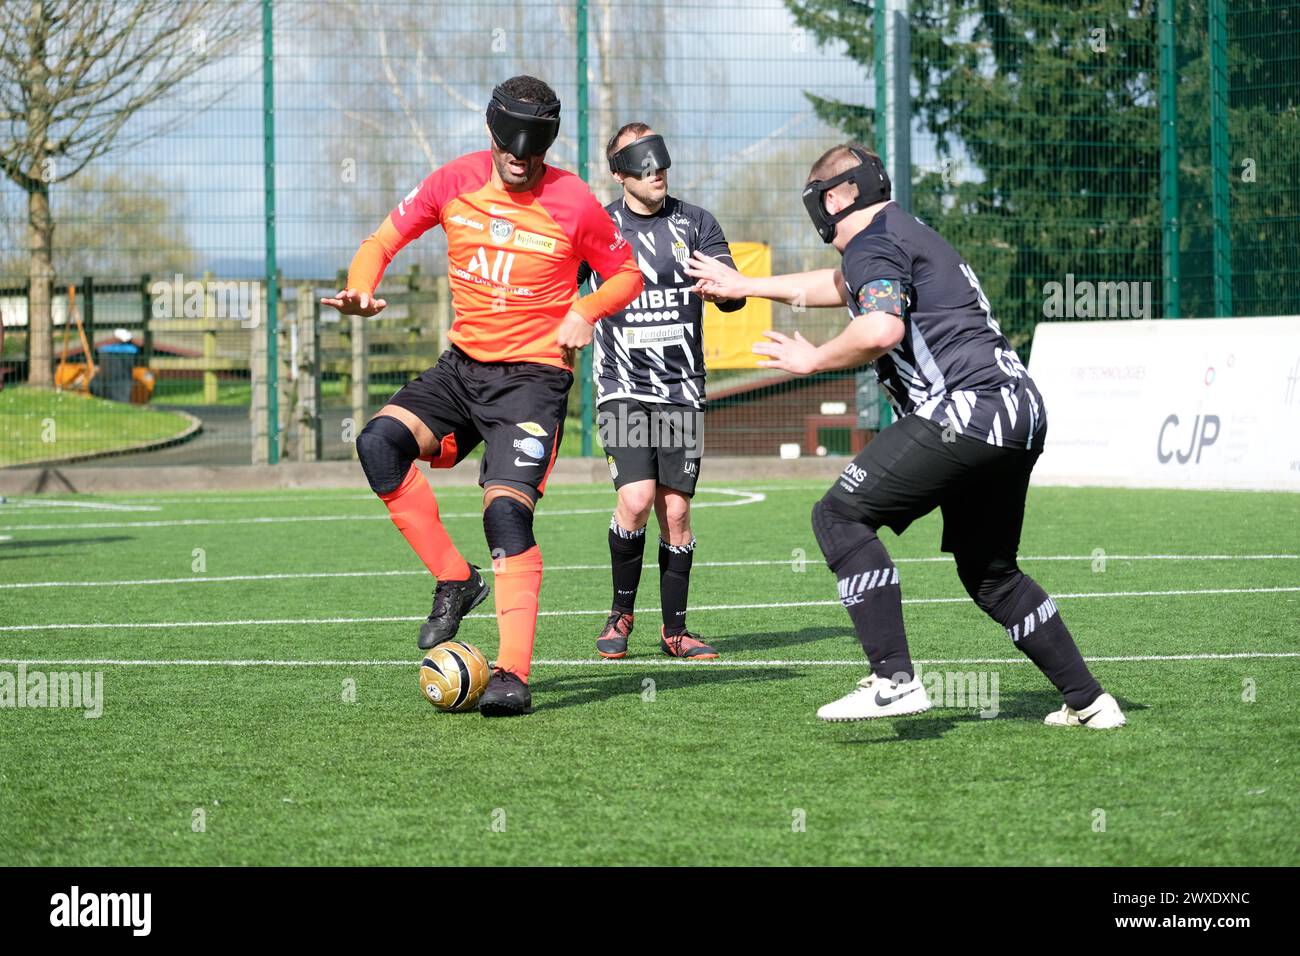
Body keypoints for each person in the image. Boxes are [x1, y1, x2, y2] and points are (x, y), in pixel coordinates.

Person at [686, 144, 1124, 729]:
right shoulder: (904, 231)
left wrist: (814, 358)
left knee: (837, 517)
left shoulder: (872, 241)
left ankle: (894, 679)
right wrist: (747, 283)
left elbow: (880, 326)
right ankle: (1090, 701)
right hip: (1018, 409)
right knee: (990, 574)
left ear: (834, 198)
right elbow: (836, 286)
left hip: (965, 410)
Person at [322, 76, 643, 717]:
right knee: (378, 445)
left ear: (546, 145)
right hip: (461, 370)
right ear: (491, 135)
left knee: (505, 517)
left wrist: (586, 308)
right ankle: (454, 579)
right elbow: (383, 239)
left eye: (534, 151)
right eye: (509, 148)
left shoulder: (575, 201)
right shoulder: (453, 182)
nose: (520, 161)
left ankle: (513, 674)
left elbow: (627, 272)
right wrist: (361, 285)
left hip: (532, 382)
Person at [577, 124, 745, 661]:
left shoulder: (696, 223)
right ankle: (620, 613)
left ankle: (675, 630)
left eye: (661, 163)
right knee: (636, 497)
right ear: (620, 172)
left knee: (676, 511)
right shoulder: (599, 226)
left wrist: (720, 287)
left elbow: (734, 296)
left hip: (682, 390)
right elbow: (559, 288)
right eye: (644, 165)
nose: (657, 173)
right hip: (622, 385)